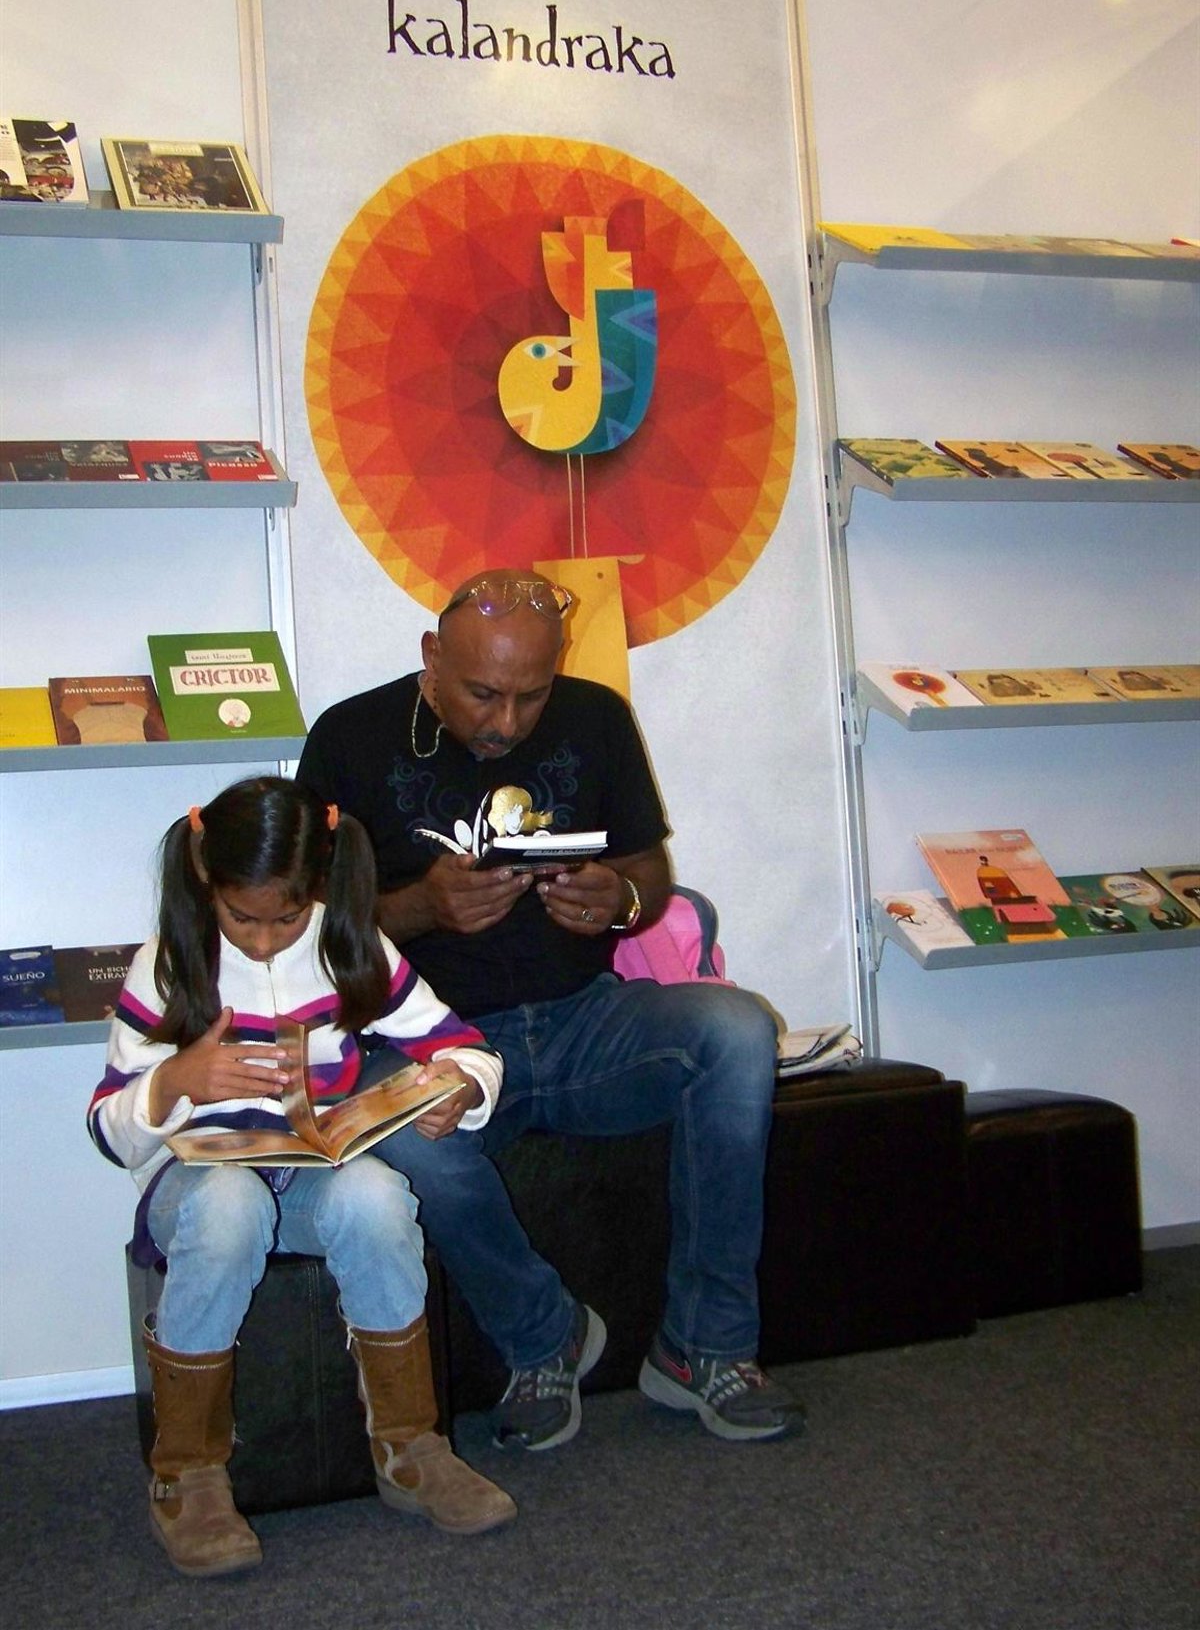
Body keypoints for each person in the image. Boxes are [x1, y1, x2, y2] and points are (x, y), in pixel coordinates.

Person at [297, 568, 803, 1452]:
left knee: (737, 1030)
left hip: (583, 1023)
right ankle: (544, 1335)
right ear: (431, 656)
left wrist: (620, 902)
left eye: (531, 696)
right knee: (406, 1135)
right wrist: (419, 908)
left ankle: (705, 1347)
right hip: (436, 1044)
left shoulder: (596, 717)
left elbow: (649, 875)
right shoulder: (349, 736)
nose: (506, 721)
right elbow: (303, 930)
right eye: (482, 693)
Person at [87, 777, 516, 1579]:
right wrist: (175, 1080)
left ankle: (410, 1445)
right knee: (229, 1206)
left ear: (317, 884)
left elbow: (460, 1043)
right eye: (241, 917)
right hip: (198, 1187)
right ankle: (188, 1473)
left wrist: (462, 1085)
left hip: (310, 1173)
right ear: (206, 877)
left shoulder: (349, 946)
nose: (262, 940)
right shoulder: (170, 962)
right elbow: (109, 1129)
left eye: (285, 918)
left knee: (379, 1195)